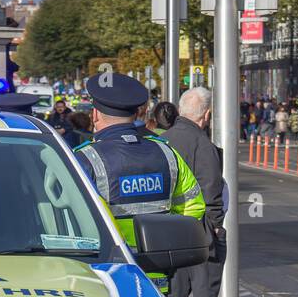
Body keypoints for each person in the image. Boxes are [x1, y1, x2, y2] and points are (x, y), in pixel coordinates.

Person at [73, 71, 205, 263]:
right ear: (136, 113)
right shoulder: (167, 153)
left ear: (94, 114)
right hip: (159, 273)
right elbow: (192, 206)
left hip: (108, 270)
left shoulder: (84, 158)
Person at [161, 88, 233, 297]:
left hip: (167, 226)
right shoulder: (203, 144)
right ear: (207, 115)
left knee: (177, 287)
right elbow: (210, 187)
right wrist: (216, 225)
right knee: (205, 284)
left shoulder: (163, 140)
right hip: (199, 226)